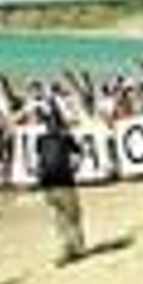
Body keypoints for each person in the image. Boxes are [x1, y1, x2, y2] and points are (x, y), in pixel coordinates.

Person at [35, 105, 88, 266]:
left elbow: (39, 161)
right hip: (65, 181)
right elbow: (79, 153)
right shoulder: (66, 137)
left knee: (59, 218)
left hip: (47, 184)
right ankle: (75, 249)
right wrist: (75, 168)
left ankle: (66, 248)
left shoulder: (41, 140)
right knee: (73, 216)